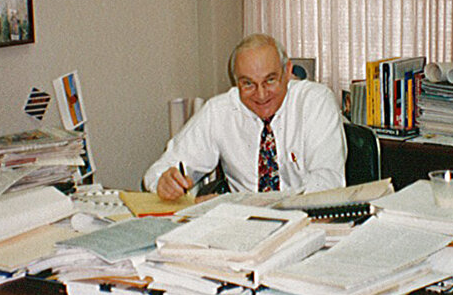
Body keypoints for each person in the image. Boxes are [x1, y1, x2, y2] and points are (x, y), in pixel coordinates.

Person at [143, 33, 347, 200]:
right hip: (243, 230)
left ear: (287, 72)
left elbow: (327, 182)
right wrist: (164, 182)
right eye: (248, 83)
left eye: (270, 80)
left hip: (307, 224)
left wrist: (263, 207)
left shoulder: (315, 102)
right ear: (236, 82)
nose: (261, 94)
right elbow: (158, 171)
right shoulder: (219, 110)